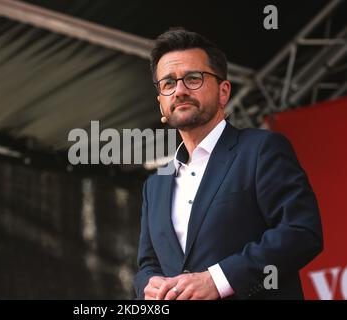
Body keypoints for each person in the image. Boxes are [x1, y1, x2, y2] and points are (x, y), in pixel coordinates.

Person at [133, 28, 323, 300]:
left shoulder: (261, 150)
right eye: (168, 83)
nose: (180, 90)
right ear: (161, 102)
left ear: (224, 92)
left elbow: (301, 231)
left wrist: (220, 280)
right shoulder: (154, 184)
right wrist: (148, 284)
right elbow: (147, 264)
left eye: (193, 78)